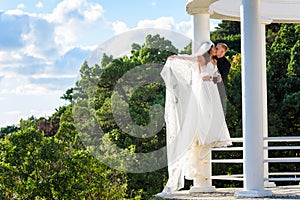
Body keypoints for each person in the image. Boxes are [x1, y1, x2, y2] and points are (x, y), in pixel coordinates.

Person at [160, 41, 232, 193]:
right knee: (203, 111)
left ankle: (211, 133)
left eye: (217, 49)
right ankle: (202, 133)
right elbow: (189, 58)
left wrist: (215, 78)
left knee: (212, 113)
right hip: (202, 87)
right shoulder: (201, 59)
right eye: (214, 48)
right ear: (209, 49)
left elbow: (218, 77)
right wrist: (177, 57)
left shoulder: (214, 61)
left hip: (211, 88)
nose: (215, 50)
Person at [214, 43, 231, 114]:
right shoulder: (211, 57)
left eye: (217, 49)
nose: (215, 49)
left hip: (219, 91)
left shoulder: (227, 64)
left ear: (222, 52)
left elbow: (221, 79)